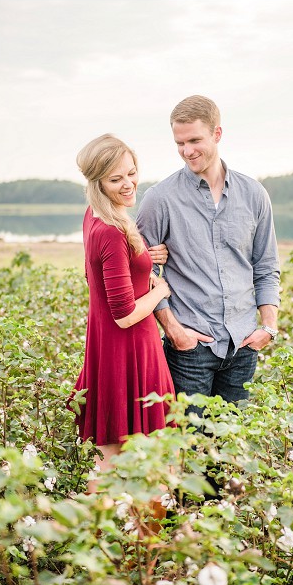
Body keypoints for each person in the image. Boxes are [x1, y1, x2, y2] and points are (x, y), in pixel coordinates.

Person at [136, 95, 280, 423]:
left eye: (195, 140)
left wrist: (268, 327)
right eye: (180, 143)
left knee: (229, 447)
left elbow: (266, 265)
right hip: (190, 348)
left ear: (217, 134)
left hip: (243, 345)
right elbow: (142, 273)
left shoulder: (254, 194)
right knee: (190, 449)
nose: (187, 151)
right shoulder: (160, 198)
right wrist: (174, 330)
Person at [72, 134, 174, 494]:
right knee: (147, 461)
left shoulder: (95, 218)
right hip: (129, 347)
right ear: (97, 181)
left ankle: (103, 537)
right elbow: (125, 314)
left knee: (112, 461)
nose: (129, 183)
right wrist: (159, 289)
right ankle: (140, 539)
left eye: (131, 173)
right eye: (116, 179)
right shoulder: (113, 232)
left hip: (108, 350)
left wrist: (144, 257)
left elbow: (96, 276)